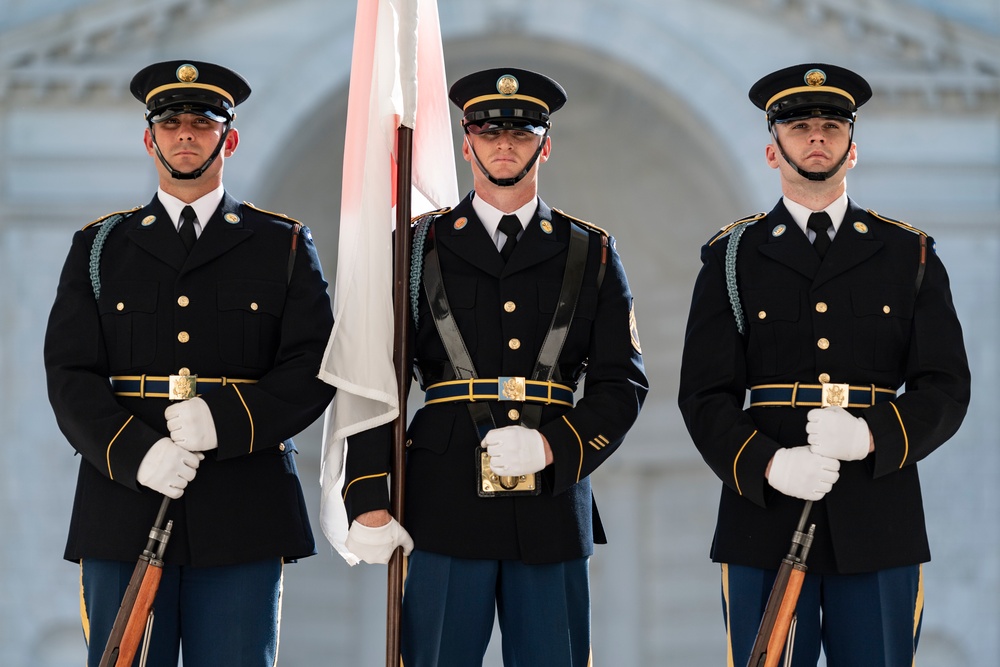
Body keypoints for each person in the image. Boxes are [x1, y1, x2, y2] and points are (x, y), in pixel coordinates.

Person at [340, 68, 648, 666]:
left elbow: (622, 382)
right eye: (487, 129)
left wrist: (555, 446)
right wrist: (368, 493)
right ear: (466, 141)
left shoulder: (592, 252)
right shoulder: (414, 247)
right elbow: (378, 376)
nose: (503, 143)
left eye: (521, 131)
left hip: (551, 504)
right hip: (442, 503)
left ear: (546, 143)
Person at [43, 60, 335, 666]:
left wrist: (228, 421)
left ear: (228, 138)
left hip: (242, 507)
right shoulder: (100, 246)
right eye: (170, 122)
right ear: (149, 139)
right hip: (124, 502)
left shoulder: (280, 244)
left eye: (201, 123)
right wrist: (136, 453)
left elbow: (313, 366)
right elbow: (70, 375)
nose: (184, 135)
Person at [678, 63, 971, 666]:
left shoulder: (907, 254)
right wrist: (767, 463)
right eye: (799, 125)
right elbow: (703, 395)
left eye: (831, 126)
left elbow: (945, 387)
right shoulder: (731, 258)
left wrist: (872, 434)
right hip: (765, 513)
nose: (816, 136)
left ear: (853, 148)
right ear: (771, 149)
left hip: (877, 513)